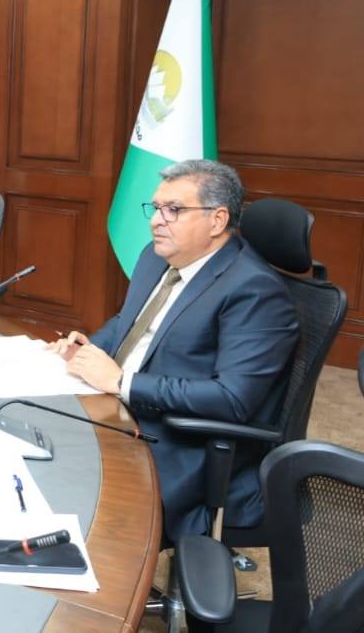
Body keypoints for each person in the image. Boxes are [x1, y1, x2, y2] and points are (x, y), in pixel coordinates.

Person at [49, 159, 298, 542]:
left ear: (217, 220)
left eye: (174, 210)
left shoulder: (255, 290)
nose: (156, 221)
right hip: (120, 411)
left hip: (179, 445)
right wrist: (88, 349)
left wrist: (121, 382)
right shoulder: (156, 256)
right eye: (156, 208)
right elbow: (128, 320)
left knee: (68, 504)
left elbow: (232, 399)